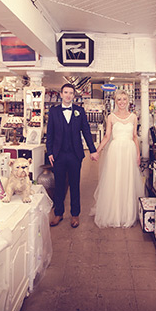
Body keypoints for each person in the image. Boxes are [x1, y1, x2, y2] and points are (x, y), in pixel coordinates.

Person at [46, 83, 98, 228]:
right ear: (61, 94)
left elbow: (86, 131)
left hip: (75, 154)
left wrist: (93, 150)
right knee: (59, 185)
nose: (68, 95)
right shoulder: (54, 111)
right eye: (65, 92)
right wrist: (49, 152)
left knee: (75, 184)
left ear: (74, 96)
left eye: (71, 93)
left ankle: (75, 215)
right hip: (58, 154)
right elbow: (49, 133)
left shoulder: (80, 111)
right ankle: (58, 214)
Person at [91, 90, 144, 228]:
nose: (122, 102)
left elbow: (134, 136)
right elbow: (107, 136)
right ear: (116, 101)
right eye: (119, 99)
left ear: (128, 101)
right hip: (115, 151)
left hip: (129, 150)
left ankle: (126, 213)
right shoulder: (111, 117)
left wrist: (138, 154)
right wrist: (97, 151)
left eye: (124, 99)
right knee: (114, 179)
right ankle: (114, 212)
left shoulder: (133, 117)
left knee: (127, 180)